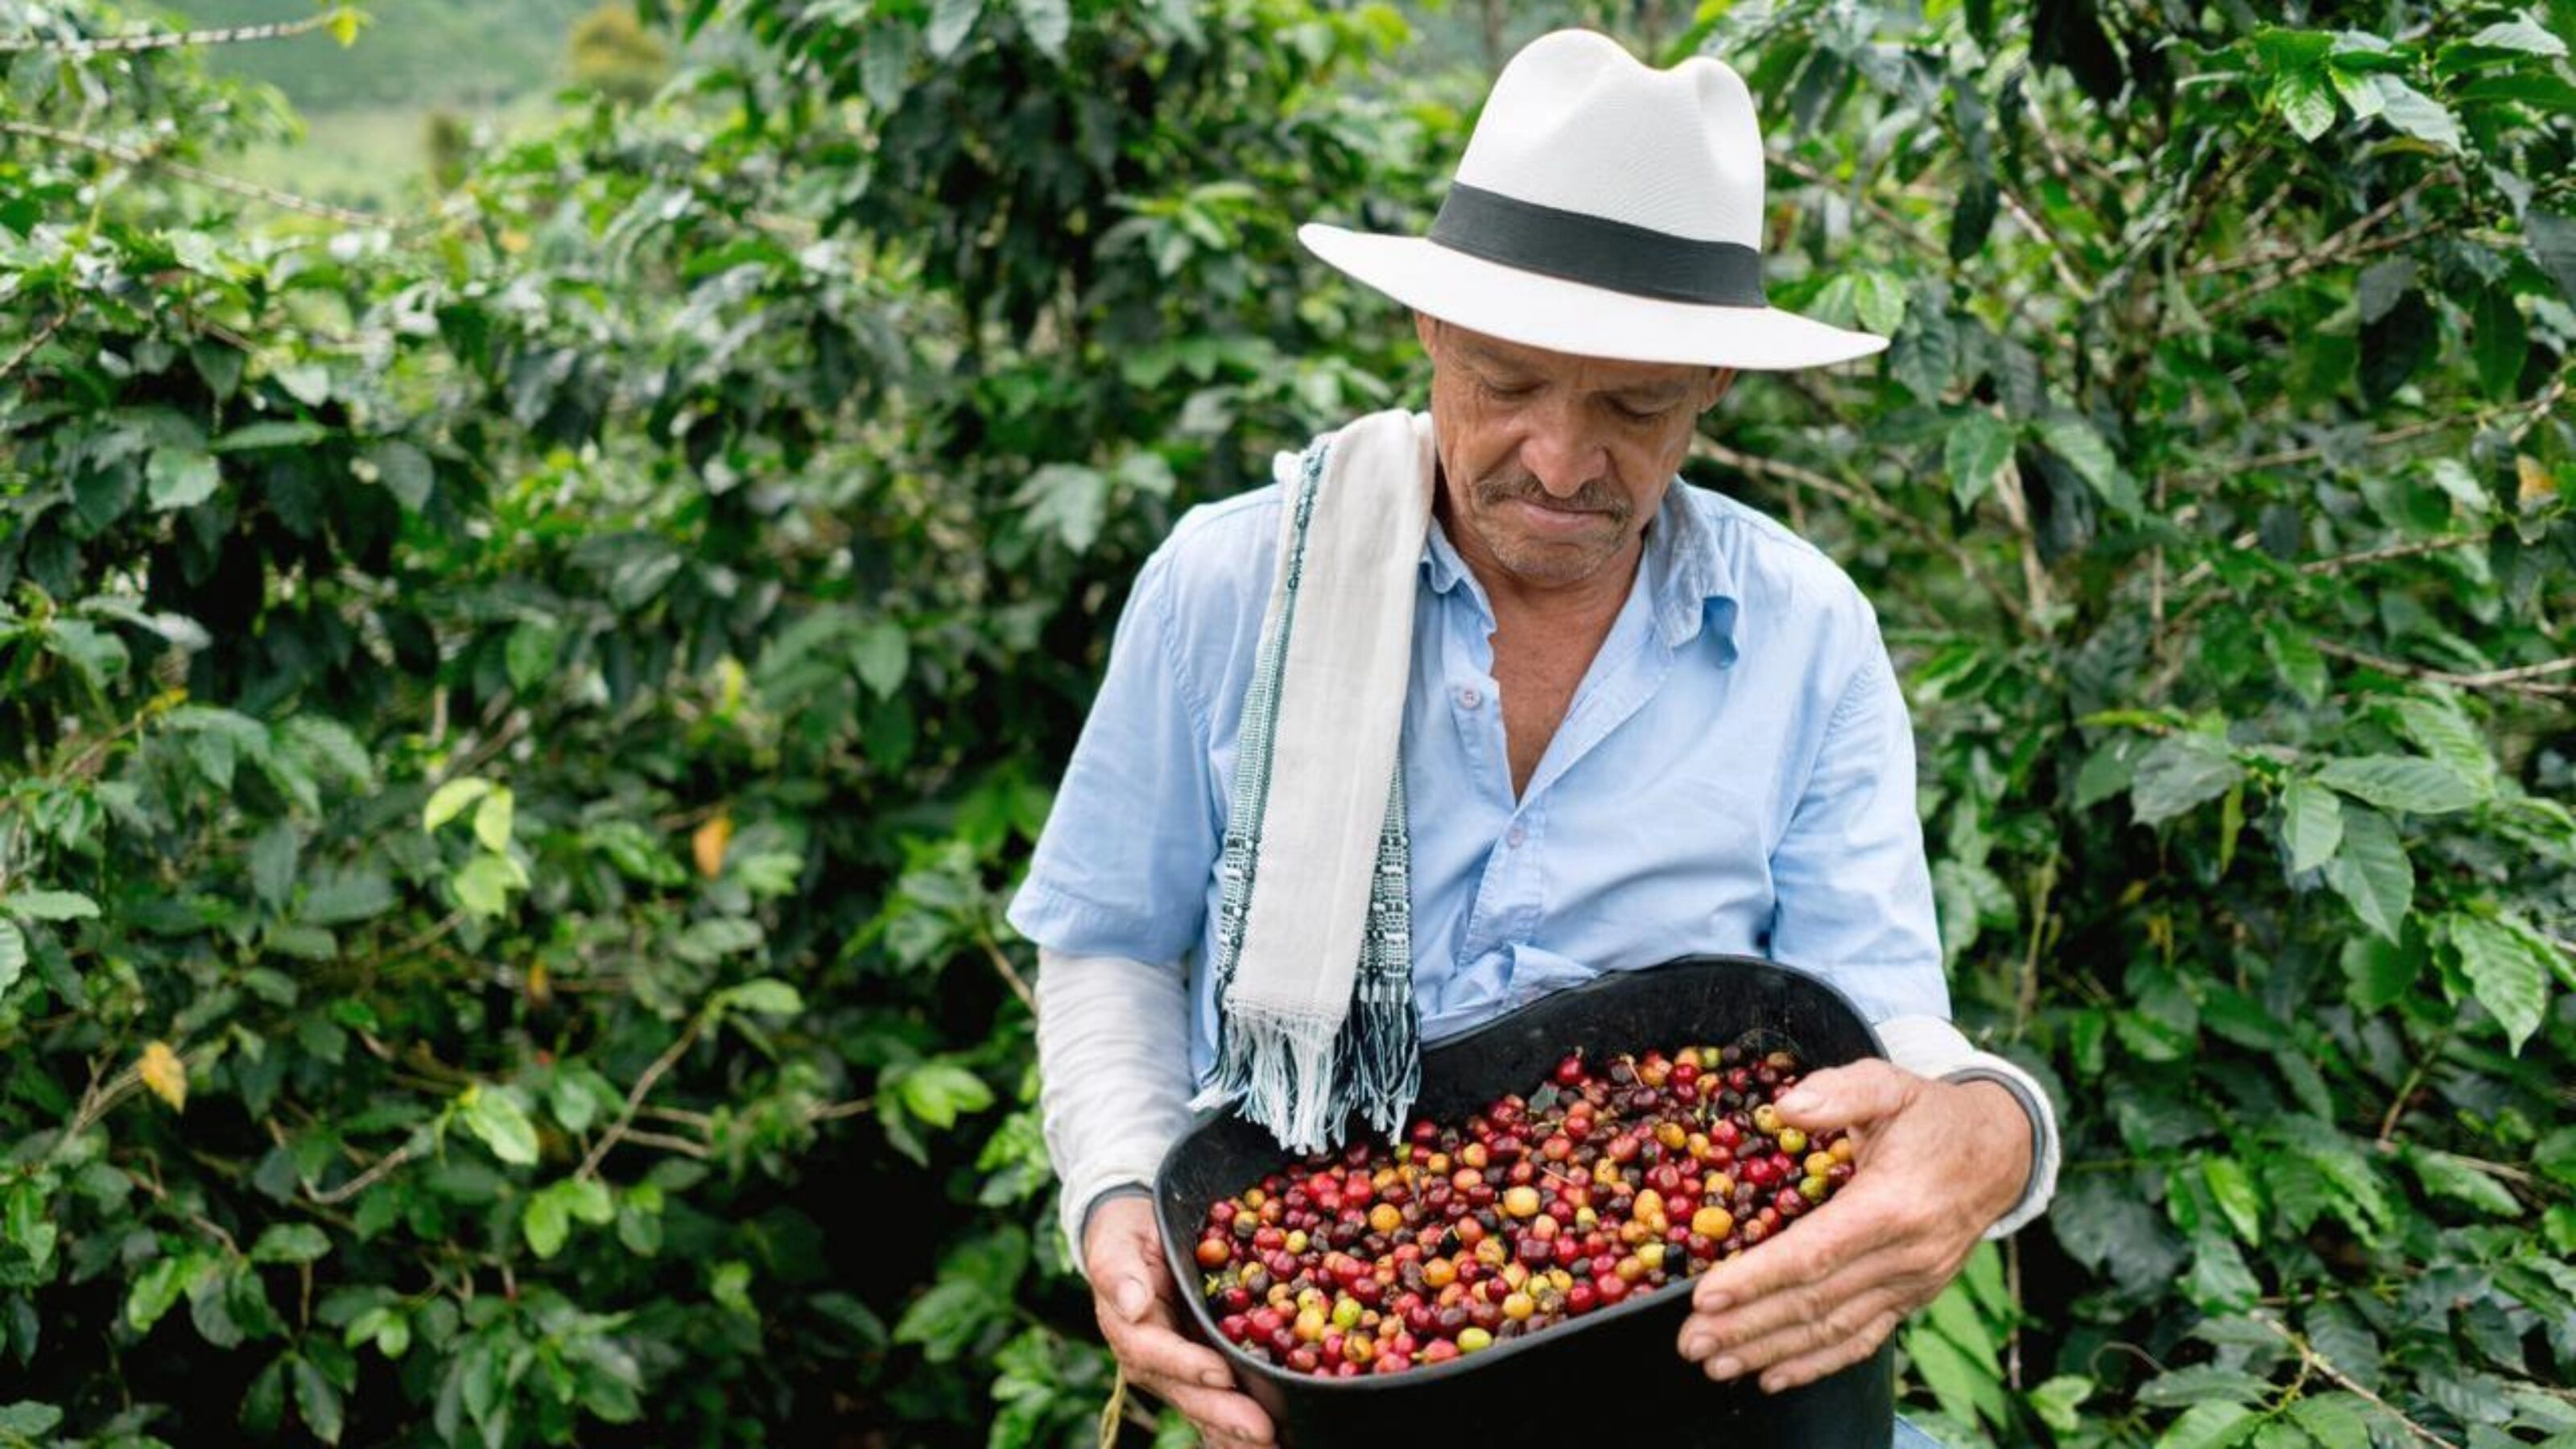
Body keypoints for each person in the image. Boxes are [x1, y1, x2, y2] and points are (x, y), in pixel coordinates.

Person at [1008, 28, 2061, 1448]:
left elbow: (1874, 1015)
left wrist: (1994, 1121)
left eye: (1633, 405)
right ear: (1431, 335)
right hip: (1340, 1376)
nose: (1562, 462)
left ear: (1713, 387)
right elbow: (1113, 942)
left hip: (1700, 1358)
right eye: (1506, 383)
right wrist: (1126, 1194)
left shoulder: (1803, 633)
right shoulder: (1233, 588)